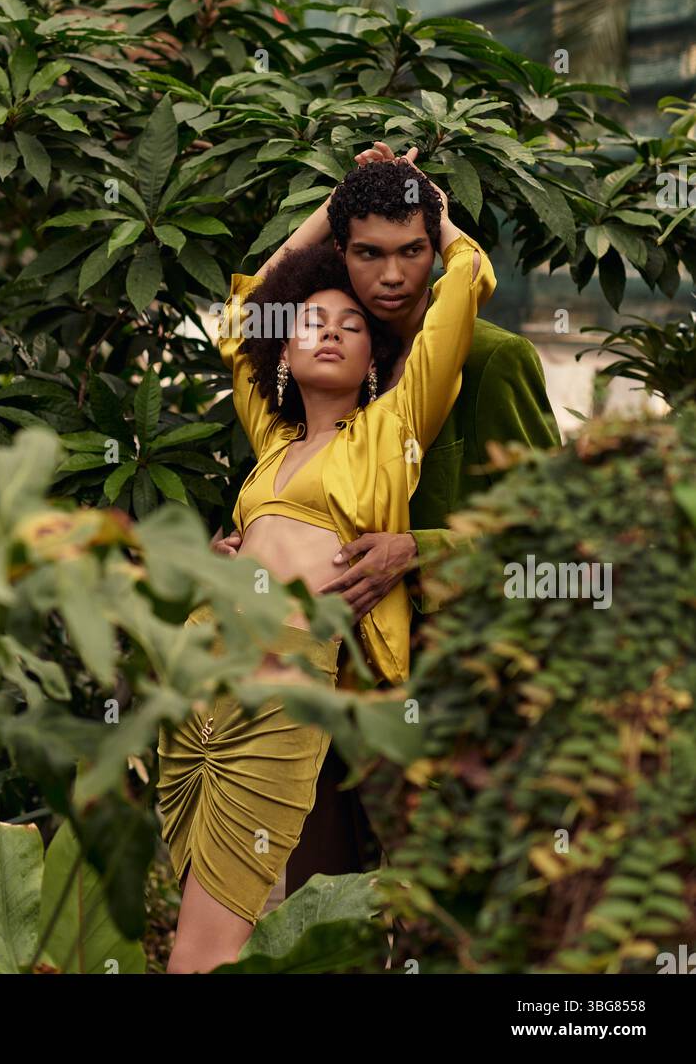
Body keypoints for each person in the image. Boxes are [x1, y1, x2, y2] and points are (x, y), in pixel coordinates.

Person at [156, 161, 495, 973]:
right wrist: (335, 206)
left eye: (349, 325)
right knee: (200, 930)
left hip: (284, 689)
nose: (333, 330)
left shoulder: (387, 429)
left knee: (204, 945)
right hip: (202, 688)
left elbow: (467, 279)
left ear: (374, 362)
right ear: (284, 354)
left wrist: (428, 206)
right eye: (312, 322)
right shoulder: (272, 448)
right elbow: (242, 312)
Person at [218, 143, 562, 891]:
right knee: (318, 917)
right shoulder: (326, 367)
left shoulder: (491, 361)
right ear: (342, 253)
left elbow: (558, 536)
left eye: (413, 251)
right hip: (309, 692)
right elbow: (250, 317)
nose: (396, 275)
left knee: (441, 911)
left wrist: (420, 551)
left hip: (441, 694)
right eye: (369, 254)